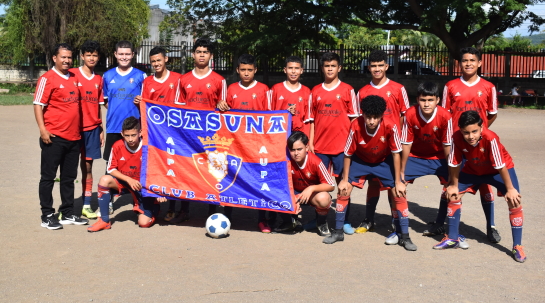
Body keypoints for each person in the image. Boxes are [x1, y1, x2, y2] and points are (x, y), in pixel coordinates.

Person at [325, 95, 412, 249]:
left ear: (381, 116)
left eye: (375, 117)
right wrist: (345, 179)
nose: (371, 121)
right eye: (368, 117)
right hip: (361, 161)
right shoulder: (355, 125)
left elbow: (396, 153)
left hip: (383, 162)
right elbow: (348, 154)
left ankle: (404, 236)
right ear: (362, 114)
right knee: (344, 190)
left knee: (399, 192)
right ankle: (338, 231)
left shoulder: (391, 126)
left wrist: (399, 181)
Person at [438, 110, 525, 263]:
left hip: (498, 170)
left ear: (482, 127)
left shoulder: (491, 138)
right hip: (473, 168)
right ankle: (453, 238)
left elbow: (500, 166)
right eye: (466, 132)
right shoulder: (456, 138)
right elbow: (454, 163)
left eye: (474, 131)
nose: (470, 136)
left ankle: (517, 246)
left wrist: (510, 189)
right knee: (452, 193)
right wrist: (453, 184)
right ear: (460, 130)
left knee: (514, 200)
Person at [440, 47, 500, 243]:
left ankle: (491, 226)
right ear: (460, 63)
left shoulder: (488, 87)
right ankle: (443, 224)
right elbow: (446, 115)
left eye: (472, 60)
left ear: (479, 63)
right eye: (465, 60)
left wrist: (478, 133)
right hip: (457, 144)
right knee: (451, 183)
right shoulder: (450, 86)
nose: (468, 64)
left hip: (479, 145)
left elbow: (492, 114)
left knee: (484, 185)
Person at [400, 82, 468, 249]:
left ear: (438, 100)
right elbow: (406, 144)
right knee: (397, 186)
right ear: (417, 100)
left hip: (439, 157)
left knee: (452, 188)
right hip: (416, 157)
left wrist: (452, 174)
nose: (427, 103)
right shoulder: (410, 114)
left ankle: (447, 229)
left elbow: (447, 146)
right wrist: (401, 172)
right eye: (423, 100)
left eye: (431, 99)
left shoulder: (445, 116)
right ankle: (399, 229)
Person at [33, 43, 89, 229]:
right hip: (54, 137)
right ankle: (47, 215)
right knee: (48, 177)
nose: (66, 60)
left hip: (74, 138)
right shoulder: (47, 79)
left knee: (68, 177)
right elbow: (38, 105)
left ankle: (67, 212)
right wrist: (43, 129)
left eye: (69, 57)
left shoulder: (73, 77)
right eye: (63, 57)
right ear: (54, 58)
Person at [355, 49, 410, 234]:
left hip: (392, 146)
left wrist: (398, 138)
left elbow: (405, 116)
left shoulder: (398, 88)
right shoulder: (362, 92)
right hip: (372, 147)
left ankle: (396, 219)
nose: (377, 69)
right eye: (373, 66)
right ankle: (369, 219)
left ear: (386, 66)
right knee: (373, 183)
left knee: (393, 184)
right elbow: (359, 120)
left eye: (380, 65)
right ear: (369, 67)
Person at [220, 53, 273, 232]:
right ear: (237, 70)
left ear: (255, 70)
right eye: (243, 70)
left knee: (259, 179)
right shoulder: (231, 89)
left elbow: (271, 117)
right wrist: (221, 105)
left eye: (250, 70)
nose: (246, 73)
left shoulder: (264, 90)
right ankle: (227, 215)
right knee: (231, 177)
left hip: (256, 144)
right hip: (235, 144)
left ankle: (262, 218)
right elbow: (223, 113)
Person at [307, 52, 359, 234]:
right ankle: (318, 219)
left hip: (341, 148)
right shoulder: (315, 91)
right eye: (326, 66)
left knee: (343, 183)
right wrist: (311, 143)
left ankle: (344, 220)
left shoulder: (348, 90)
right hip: (320, 147)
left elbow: (354, 121)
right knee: (319, 184)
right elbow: (311, 120)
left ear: (339, 68)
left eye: (333, 66)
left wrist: (350, 145)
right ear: (322, 68)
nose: (330, 69)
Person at [87, 117, 167, 232]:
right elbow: (111, 169)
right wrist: (129, 180)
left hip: (143, 187)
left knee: (143, 223)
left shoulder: (148, 147)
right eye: (127, 135)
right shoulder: (117, 145)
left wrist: (159, 190)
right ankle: (104, 221)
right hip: (125, 182)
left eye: (133, 135)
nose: (130, 139)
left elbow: (158, 170)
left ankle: (153, 208)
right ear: (122, 134)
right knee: (104, 179)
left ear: (140, 133)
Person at [134, 46, 184, 223]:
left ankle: (174, 207)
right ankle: (151, 204)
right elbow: (144, 107)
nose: (156, 64)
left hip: (173, 132)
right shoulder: (147, 82)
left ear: (166, 60)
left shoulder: (178, 79)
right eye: (153, 61)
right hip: (155, 133)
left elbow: (183, 105)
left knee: (174, 167)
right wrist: (141, 125)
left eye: (159, 60)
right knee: (156, 166)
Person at [179, 37, 228, 217]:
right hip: (188, 135)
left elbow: (224, 111)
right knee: (185, 171)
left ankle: (212, 210)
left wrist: (223, 105)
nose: (202, 55)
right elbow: (177, 110)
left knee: (213, 172)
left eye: (205, 52)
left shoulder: (219, 80)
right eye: (199, 52)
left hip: (211, 136)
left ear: (211, 56)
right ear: (193, 55)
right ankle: (183, 210)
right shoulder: (184, 80)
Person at [101, 40, 147, 215]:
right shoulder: (107, 76)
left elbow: (146, 101)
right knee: (110, 165)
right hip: (114, 128)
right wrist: (116, 112)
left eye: (127, 54)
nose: (124, 57)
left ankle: (142, 196)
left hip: (135, 129)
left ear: (133, 55)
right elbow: (105, 101)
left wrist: (140, 103)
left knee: (139, 161)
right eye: (121, 54)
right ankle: (110, 199)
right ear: (115, 55)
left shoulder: (141, 76)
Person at [69, 40, 104, 220]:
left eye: (94, 55)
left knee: (87, 168)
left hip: (91, 130)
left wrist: (101, 129)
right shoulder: (72, 74)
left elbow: (98, 107)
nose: (91, 58)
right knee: (69, 169)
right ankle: (67, 207)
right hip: (73, 130)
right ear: (82, 56)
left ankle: (86, 204)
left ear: (98, 57)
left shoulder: (99, 79)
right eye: (88, 54)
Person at [275, 131, 335, 235]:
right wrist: (291, 197)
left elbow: (331, 185)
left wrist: (311, 188)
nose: (296, 153)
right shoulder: (286, 160)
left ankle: (321, 223)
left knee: (324, 198)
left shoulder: (316, 162)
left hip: (311, 195)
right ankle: (289, 222)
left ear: (307, 148)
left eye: (299, 149)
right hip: (294, 193)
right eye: (292, 150)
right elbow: (278, 182)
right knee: (275, 192)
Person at [270, 56, 312, 136]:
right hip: (279, 133)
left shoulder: (307, 92)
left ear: (301, 70)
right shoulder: (276, 89)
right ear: (285, 70)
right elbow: (269, 114)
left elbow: (307, 120)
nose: (293, 71)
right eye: (290, 68)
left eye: (296, 68)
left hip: (299, 135)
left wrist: (307, 139)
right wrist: (285, 112)